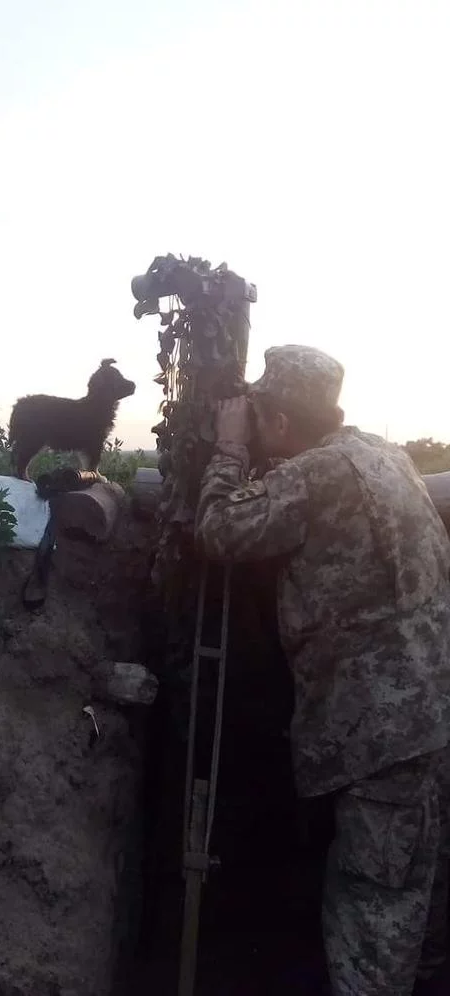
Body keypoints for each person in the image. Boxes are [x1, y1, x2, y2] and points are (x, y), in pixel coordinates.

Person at [195, 344, 450, 996]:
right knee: (419, 891)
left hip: (380, 738)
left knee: (373, 909)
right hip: (430, 715)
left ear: (280, 422)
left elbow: (220, 530)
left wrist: (229, 448)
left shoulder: (315, 476)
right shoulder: (384, 455)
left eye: (260, 416)